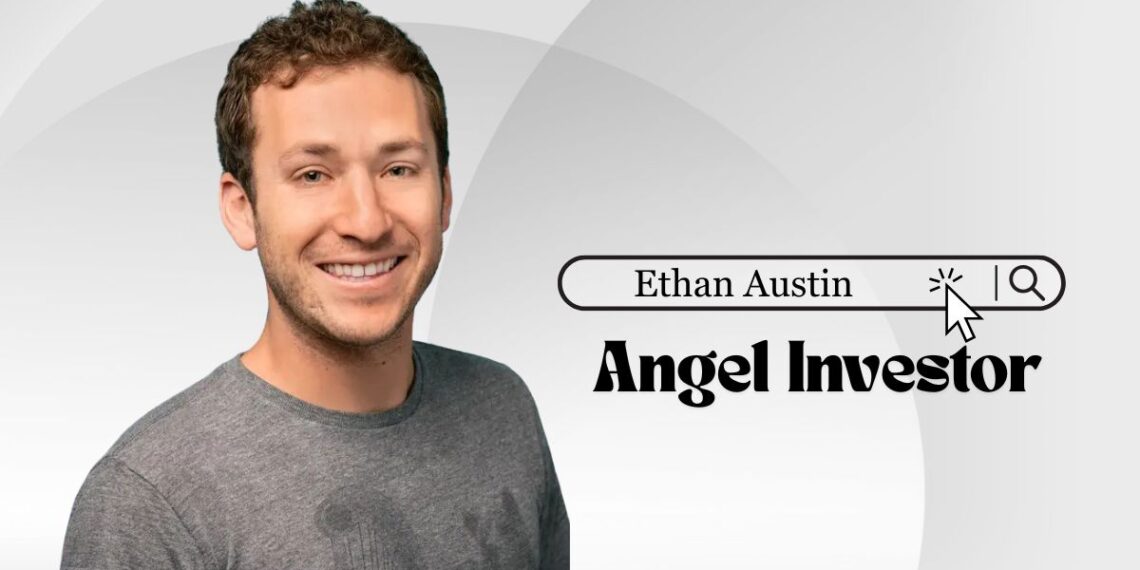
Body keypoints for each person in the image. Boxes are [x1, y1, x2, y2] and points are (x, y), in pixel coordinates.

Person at [59, 1, 570, 567]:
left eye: (398, 168)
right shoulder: (146, 502)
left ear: (444, 195)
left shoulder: (504, 410)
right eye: (313, 175)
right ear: (242, 210)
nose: (367, 221)